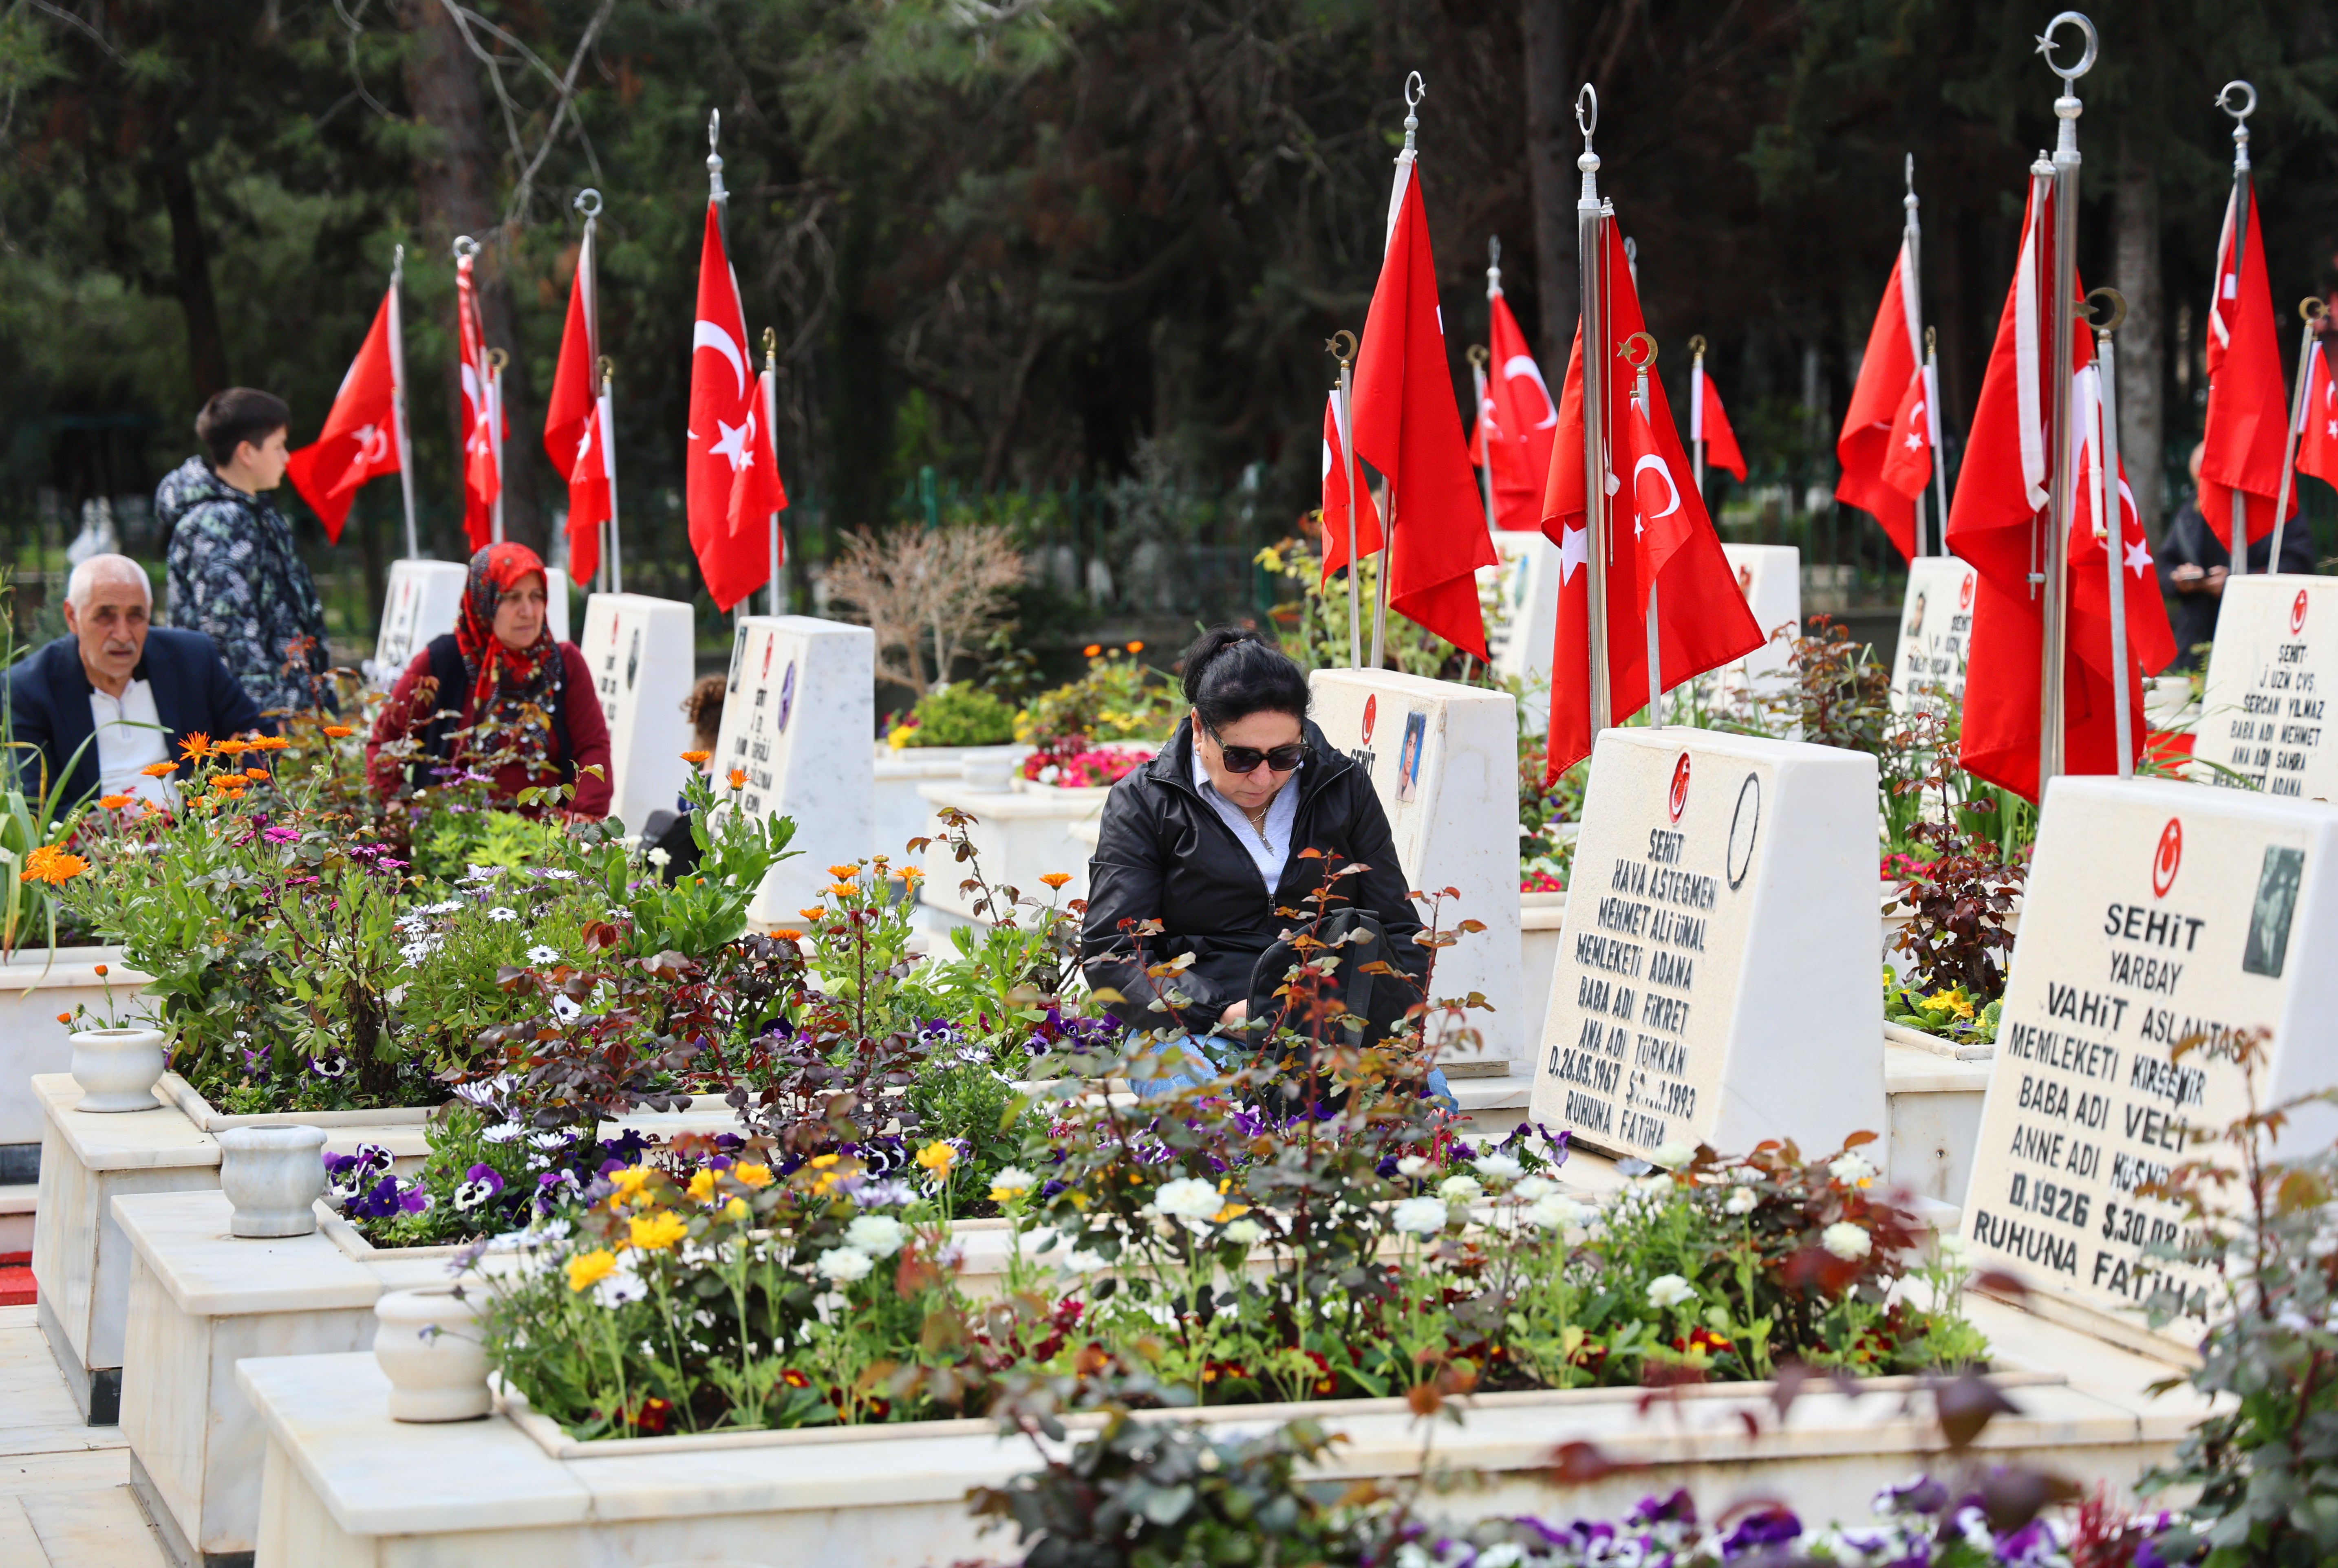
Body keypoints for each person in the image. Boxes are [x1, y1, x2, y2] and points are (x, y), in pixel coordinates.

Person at [1081, 626, 1448, 1104]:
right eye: (1240, 757)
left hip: (1333, 1023)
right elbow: (1114, 951)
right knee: (1199, 1105)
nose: (1262, 776)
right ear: (1198, 729)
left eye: (1285, 755)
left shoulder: (1342, 786)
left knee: (1430, 1107)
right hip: (1196, 1026)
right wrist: (1219, 1011)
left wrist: (1389, 1021)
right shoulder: (1146, 802)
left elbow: (1400, 928)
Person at [364, 543, 612, 817]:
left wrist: (585, 818)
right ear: (484, 601)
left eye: (536, 596)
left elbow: (593, 748)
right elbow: (387, 741)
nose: (528, 611)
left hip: (546, 844)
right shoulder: (443, 661)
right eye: (512, 598)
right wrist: (395, 807)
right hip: (453, 842)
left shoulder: (564, 664)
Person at [3, 554, 263, 810]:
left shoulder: (192, 658)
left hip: (199, 840)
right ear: (72, 617)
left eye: (136, 615)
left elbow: (256, 737)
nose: (123, 634)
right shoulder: (28, 689)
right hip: (96, 848)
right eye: (106, 615)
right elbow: (37, 806)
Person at [158, 388, 336, 716]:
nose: (287, 457)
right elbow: (228, 634)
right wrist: (267, 717)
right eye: (279, 446)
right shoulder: (218, 524)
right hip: (252, 727)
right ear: (247, 453)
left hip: (283, 709)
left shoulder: (255, 513)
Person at [2157, 441, 2317, 669]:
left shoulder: (2276, 510)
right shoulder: (2190, 511)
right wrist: (2179, 579)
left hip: (2258, 642)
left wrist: (2238, 581)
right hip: (2196, 644)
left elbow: (2298, 569)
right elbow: (2165, 566)